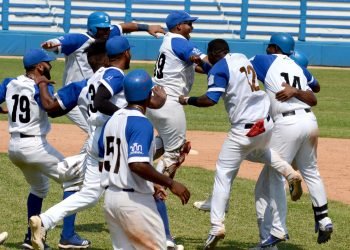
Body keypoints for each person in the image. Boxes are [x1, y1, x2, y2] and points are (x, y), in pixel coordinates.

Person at [29, 38, 167, 250]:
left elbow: (60, 108)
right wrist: (124, 113)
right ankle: (157, 235)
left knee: (91, 194)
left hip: (96, 138)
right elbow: (100, 101)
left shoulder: (90, 80)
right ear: (126, 54)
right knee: (135, 172)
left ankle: (45, 220)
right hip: (110, 135)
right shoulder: (115, 74)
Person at [178, 38, 302, 250]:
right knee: (261, 153)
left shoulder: (219, 68)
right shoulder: (241, 58)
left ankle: (216, 225)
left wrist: (187, 100)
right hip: (266, 122)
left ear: (213, 53)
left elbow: (211, 99)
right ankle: (289, 172)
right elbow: (218, 69)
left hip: (243, 129)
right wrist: (204, 65)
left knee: (223, 174)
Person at [250, 32, 332, 248]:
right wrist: (297, 88)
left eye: (269, 46)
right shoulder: (298, 67)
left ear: (274, 48)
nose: (266, 49)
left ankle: (277, 231)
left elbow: (238, 67)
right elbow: (316, 87)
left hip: (287, 124)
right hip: (309, 122)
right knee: (311, 171)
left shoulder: (263, 60)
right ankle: (324, 219)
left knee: (274, 177)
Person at [0, 49, 84, 249]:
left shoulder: (9, 83)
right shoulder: (41, 86)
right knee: (72, 179)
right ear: (39, 66)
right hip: (35, 146)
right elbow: (51, 108)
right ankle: (68, 236)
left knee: (39, 187)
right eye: (48, 63)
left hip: (14, 148)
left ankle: (30, 238)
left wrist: (4, 109)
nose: (51, 66)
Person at [100, 69, 190, 250]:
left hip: (111, 199)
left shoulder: (112, 120)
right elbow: (137, 164)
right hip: (134, 204)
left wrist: (151, 184)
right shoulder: (141, 123)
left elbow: (107, 160)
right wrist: (170, 183)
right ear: (148, 95)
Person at [41, 11, 165, 133]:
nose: (106, 31)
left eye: (107, 28)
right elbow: (60, 41)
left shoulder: (109, 34)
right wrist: (52, 44)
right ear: (92, 28)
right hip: (80, 95)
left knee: (96, 132)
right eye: (102, 29)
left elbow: (123, 26)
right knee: (96, 130)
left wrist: (147, 27)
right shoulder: (79, 39)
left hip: (95, 89)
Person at [147, 10, 209, 248]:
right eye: (188, 24)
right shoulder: (180, 42)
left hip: (156, 99)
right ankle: (157, 186)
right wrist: (222, 66)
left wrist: (211, 69)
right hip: (170, 102)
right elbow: (198, 59)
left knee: (165, 143)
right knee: (177, 151)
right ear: (178, 26)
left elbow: (197, 66)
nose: (191, 27)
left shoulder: (169, 40)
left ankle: (130, 161)